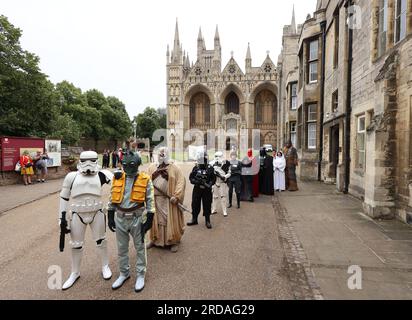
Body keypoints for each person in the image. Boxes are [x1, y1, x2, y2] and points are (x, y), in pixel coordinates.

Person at [59, 151, 114, 290]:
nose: (88, 164)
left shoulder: (103, 174)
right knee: (76, 245)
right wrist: (62, 218)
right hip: (78, 214)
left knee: (101, 240)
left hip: (97, 212)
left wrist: (111, 205)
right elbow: (64, 197)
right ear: (80, 161)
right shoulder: (72, 177)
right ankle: (75, 272)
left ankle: (105, 266)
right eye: (85, 160)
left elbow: (117, 187)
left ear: (96, 160)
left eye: (92, 160)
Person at [107, 150, 155, 292]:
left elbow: (150, 200)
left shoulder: (145, 179)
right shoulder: (117, 178)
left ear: (138, 164)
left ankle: (140, 274)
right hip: (120, 217)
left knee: (140, 248)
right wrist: (110, 215)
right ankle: (124, 273)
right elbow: (112, 198)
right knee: (122, 249)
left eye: (131, 164)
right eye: (125, 164)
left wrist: (149, 219)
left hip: (137, 218)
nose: (128, 167)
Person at [146, 147, 186, 253]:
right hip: (155, 199)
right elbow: (145, 181)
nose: (161, 156)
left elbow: (181, 182)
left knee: (169, 220)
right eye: (159, 154)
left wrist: (176, 196)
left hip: (169, 200)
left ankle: (173, 241)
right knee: (155, 220)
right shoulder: (151, 167)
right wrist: (153, 176)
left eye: (163, 154)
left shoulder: (174, 168)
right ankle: (154, 240)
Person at [187, 151, 216, 229]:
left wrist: (210, 184)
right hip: (197, 189)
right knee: (195, 204)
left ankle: (207, 220)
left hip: (207, 190)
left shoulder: (210, 168)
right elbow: (191, 178)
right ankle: (194, 219)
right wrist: (197, 182)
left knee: (207, 205)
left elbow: (213, 179)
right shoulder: (196, 168)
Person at [210, 151, 230, 217]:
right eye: (216, 156)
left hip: (222, 182)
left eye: (219, 156)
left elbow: (230, 172)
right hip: (215, 182)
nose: (217, 158)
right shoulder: (211, 163)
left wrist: (224, 177)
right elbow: (210, 173)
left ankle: (224, 211)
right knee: (215, 196)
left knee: (223, 196)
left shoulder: (226, 163)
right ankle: (214, 209)